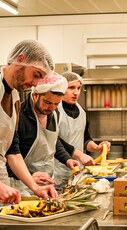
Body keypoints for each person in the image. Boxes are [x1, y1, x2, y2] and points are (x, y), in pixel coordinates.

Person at [1, 39, 57, 203]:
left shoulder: (15, 97)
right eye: (36, 75)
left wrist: (35, 187)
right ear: (20, 59)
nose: (35, 84)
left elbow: (12, 148)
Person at [7, 72, 80, 194]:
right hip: (20, 188)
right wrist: (31, 175)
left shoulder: (53, 114)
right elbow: (9, 155)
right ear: (35, 95)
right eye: (47, 102)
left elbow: (53, 142)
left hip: (46, 185)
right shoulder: (19, 116)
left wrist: (67, 159)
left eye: (56, 104)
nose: (51, 108)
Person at [54, 71, 111, 184]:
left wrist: (96, 147)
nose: (76, 92)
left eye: (78, 88)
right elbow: (54, 140)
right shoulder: (54, 110)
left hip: (78, 170)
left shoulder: (82, 111)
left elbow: (85, 138)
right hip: (57, 171)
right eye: (71, 88)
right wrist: (79, 155)